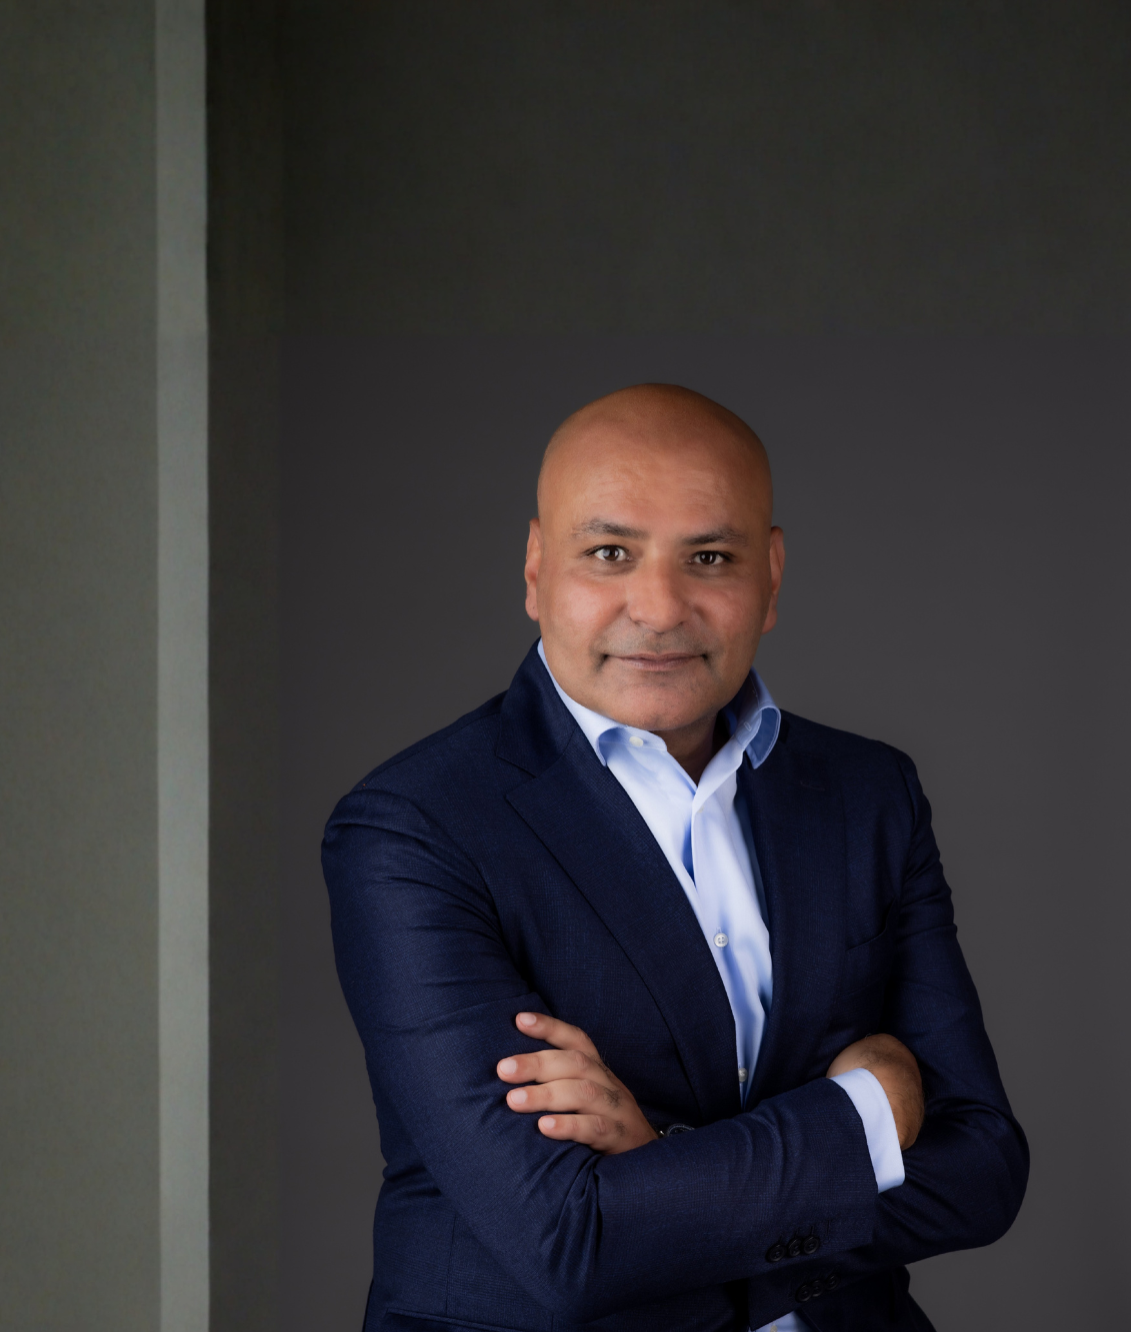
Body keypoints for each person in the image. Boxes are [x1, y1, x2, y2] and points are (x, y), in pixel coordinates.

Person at [322, 384, 1026, 1332]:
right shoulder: (413, 827)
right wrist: (869, 1105)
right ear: (535, 568)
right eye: (610, 553)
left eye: (710, 557)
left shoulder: (869, 793)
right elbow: (570, 1240)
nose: (658, 608)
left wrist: (658, 1158)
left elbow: (982, 1170)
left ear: (771, 574)